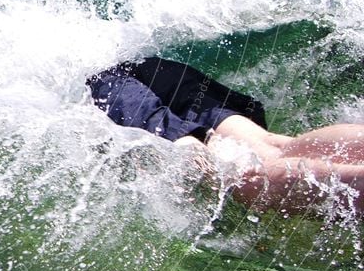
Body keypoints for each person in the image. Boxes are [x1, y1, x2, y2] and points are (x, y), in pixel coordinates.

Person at [87, 57, 364, 217]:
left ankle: (182, 141)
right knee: (264, 155)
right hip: (143, 76)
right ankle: (183, 141)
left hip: (126, 79)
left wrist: (179, 138)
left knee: (259, 163)